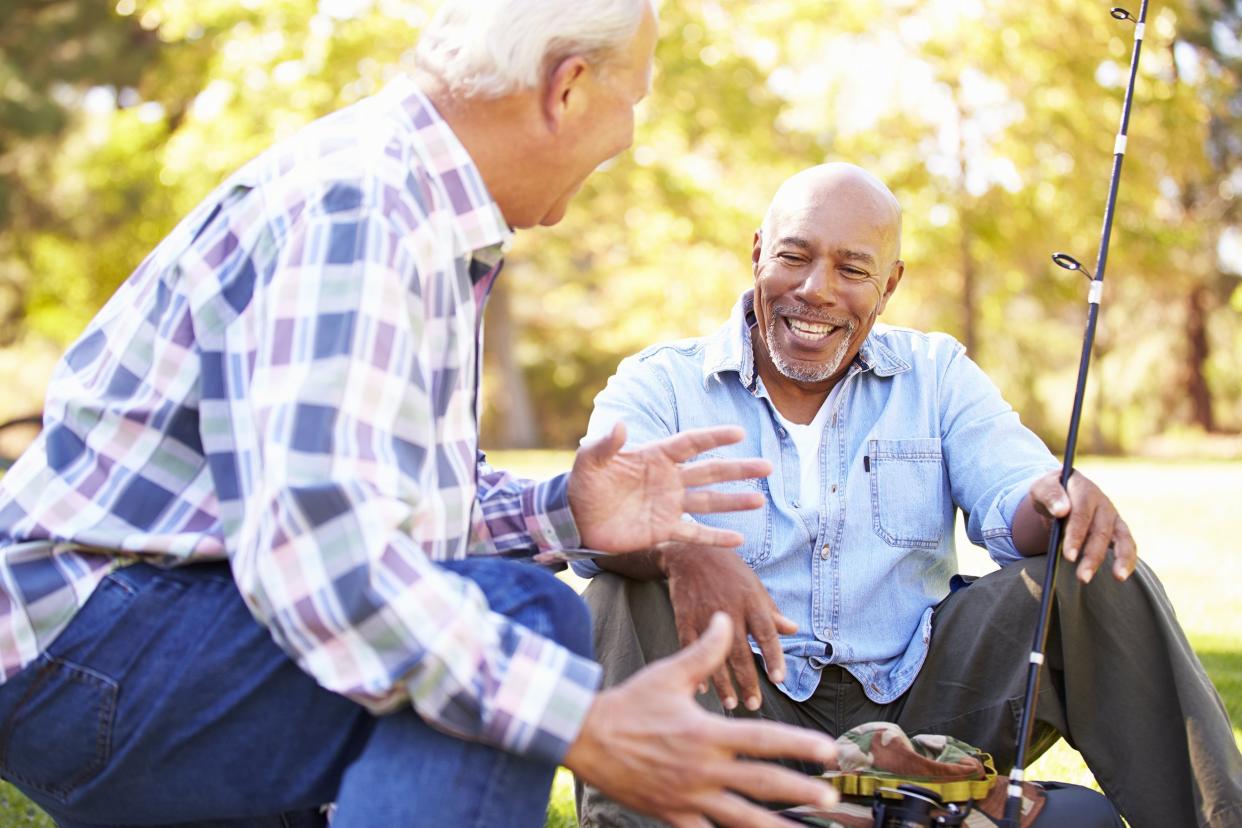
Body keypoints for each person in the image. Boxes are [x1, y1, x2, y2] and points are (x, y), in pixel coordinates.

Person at [0, 3, 846, 827]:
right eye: (637, 97)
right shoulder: (363, 210)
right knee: (518, 619)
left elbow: (376, 510)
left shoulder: (416, 209)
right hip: (85, 650)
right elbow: (326, 553)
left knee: (439, 682)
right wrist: (581, 724)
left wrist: (568, 510)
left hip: (144, 632)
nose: (630, 134)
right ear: (569, 88)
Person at [574, 163, 1242, 828]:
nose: (816, 290)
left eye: (853, 270)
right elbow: (598, 509)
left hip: (922, 715)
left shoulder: (937, 373)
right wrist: (680, 550)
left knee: (1095, 570)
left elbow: (1014, 490)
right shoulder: (661, 383)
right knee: (621, 588)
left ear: (890, 284)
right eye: (794, 257)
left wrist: (1053, 499)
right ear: (757, 254)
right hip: (741, 706)